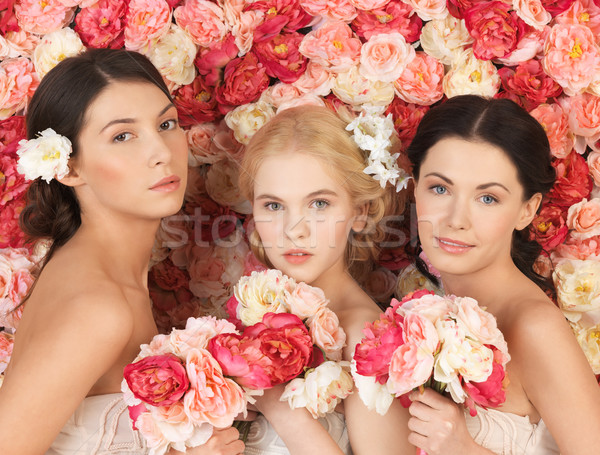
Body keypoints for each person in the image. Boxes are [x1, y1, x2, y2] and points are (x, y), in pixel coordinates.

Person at [0, 48, 245, 455]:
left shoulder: (102, 272)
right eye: (122, 136)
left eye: (166, 124)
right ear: (68, 168)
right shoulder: (99, 308)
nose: (162, 152)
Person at [405, 95, 600, 454]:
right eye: (440, 188)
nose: (455, 219)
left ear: (527, 210)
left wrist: (462, 448)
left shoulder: (534, 329)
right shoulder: (422, 314)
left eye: (488, 198)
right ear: (415, 187)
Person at [237, 105, 415, 455]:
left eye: (319, 203)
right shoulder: (251, 314)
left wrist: (279, 408)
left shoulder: (367, 338)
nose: (294, 230)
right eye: (273, 206)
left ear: (359, 213)